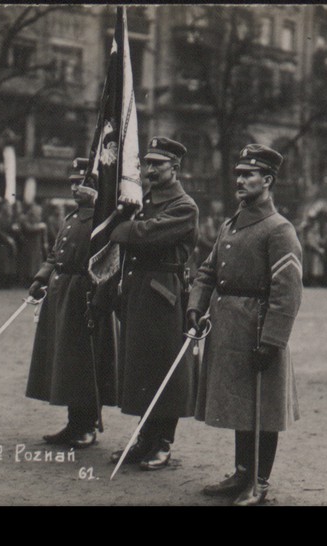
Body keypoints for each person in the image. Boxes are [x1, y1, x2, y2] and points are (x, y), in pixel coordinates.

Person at [187, 144, 303, 506]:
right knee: (241, 402)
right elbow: (208, 269)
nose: (239, 180)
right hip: (228, 326)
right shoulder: (231, 224)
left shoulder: (279, 229)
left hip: (258, 327)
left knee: (263, 406)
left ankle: (260, 481)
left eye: (248, 174)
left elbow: (288, 292)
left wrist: (272, 341)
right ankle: (241, 473)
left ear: (267, 180)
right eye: (237, 174)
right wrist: (195, 305)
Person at [108, 137, 199, 470]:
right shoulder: (145, 200)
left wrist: (119, 228)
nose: (150, 169)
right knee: (141, 368)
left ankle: (163, 442)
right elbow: (140, 230)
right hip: (140, 288)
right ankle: (144, 438)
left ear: (174, 168)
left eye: (157, 164)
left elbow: (148, 234)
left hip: (164, 292)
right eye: (147, 163)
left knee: (164, 370)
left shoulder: (184, 205)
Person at [25, 158, 116, 448]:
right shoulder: (73, 218)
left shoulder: (101, 221)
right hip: (62, 295)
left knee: (84, 363)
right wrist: (41, 278)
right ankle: (73, 423)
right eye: (74, 183)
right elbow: (55, 254)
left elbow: (108, 263)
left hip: (84, 296)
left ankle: (87, 425)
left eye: (83, 182)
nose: (76, 188)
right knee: (66, 364)